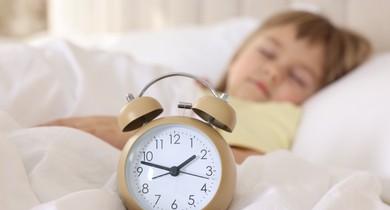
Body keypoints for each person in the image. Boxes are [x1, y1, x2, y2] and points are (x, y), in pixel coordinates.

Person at [42, 10, 372, 164]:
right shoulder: (187, 84)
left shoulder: (274, 113)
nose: (273, 71)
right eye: (267, 53)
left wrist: (128, 136)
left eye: (298, 77)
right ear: (236, 56)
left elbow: (248, 159)